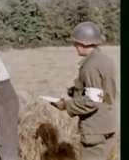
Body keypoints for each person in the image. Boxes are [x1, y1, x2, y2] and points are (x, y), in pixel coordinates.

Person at [50, 22, 117, 160]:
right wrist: (76, 91)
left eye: (76, 43)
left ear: (83, 43)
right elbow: (102, 92)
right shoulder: (104, 60)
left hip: (95, 130)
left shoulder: (90, 66)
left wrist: (65, 105)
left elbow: (92, 101)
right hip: (107, 124)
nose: (74, 46)